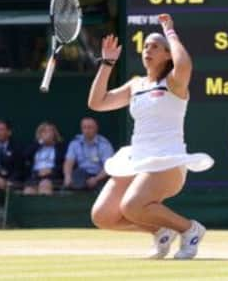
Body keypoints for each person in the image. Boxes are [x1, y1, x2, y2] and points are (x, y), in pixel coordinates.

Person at [88, 17, 214, 260]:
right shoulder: (136, 85)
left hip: (167, 161)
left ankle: (190, 229)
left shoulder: (174, 83)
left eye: (155, 46)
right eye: (146, 46)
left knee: (131, 205)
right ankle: (161, 230)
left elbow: (185, 65)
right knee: (103, 216)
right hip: (136, 160)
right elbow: (97, 102)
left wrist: (169, 31)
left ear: (168, 54)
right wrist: (106, 63)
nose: (148, 49)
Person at [64, 117, 114, 190]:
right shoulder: (75, 143)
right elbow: (69, 162)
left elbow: (108, 167)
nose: (87, 130)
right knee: (76, 176)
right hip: (81, 174)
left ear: (96, 129)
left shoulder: (104, 144)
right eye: (84, 127)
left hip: (99, 175)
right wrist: (67, 176)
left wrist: (96, 179)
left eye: (90, 127)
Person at [23, 121, 66, 195]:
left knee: (45, 184)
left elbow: (63, 163)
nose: (47, 134)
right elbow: (25, 156)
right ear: (40, 134)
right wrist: (40, 142)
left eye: (50, 131)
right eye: (44, 131)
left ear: (54, 133)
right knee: (29, 190)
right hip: (35, 175)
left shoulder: (60, 147)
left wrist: (51, 170)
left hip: (53, 176)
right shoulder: (35, 146)